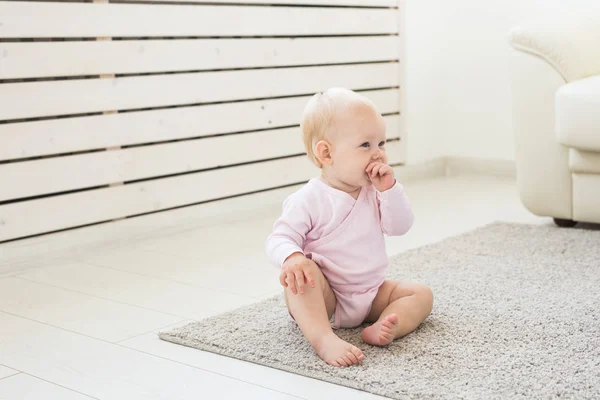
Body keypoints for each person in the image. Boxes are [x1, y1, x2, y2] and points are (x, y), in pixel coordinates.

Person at [265, 88, 433, 367]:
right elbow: (279, 237)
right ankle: (322, 338)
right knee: (301, 280)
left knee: (421, 294)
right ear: (326, 153)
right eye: (365, 145)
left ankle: (387, 325)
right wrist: (292, 258)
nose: (378, 154)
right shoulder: (309, 199)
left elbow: (400, 227)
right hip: (327, 297)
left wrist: (390, 190)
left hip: (371, 294)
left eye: (381, 143)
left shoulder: (375, 191)